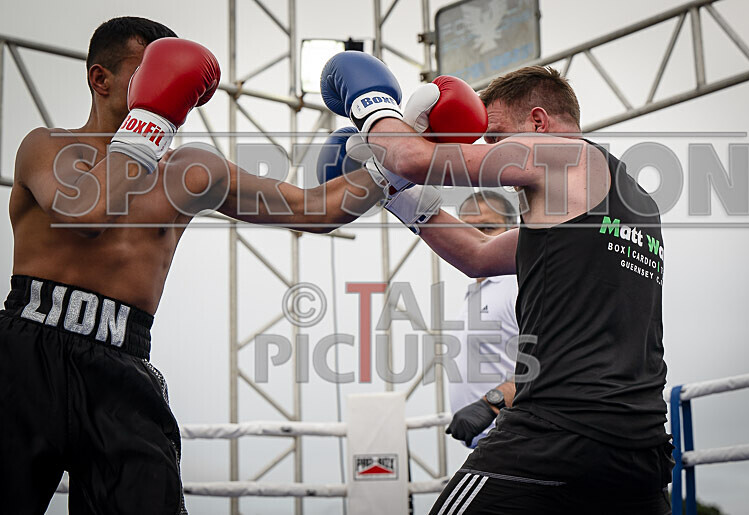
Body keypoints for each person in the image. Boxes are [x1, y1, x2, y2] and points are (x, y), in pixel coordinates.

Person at [0, 19, 396, 514]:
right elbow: (86, 212)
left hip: (121, 365)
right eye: (147, 72)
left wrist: (400, 157)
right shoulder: (47, 147)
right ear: (100, 79)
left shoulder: (190, 172)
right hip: (24, 353)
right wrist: (149, 121)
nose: (167, 90)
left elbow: (314, 210)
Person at [320, 52, 673, 513]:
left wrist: (374, 109)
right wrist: (395, 196)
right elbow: (477, 255)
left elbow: (410, 156)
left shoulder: (567, 155)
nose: (490, 150)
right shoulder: (631, 204)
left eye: (499, 137)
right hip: (637, 447)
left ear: (539, 122)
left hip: (556, 431)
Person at [445, 192, 518, 449]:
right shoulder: (476, 292)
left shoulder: (516, 284)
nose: (477, 236)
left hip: (513, 442)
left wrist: (491, 403)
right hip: (490, 444)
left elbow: (557, 360)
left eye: (488, 227)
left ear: (514, 230)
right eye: (467, 229)